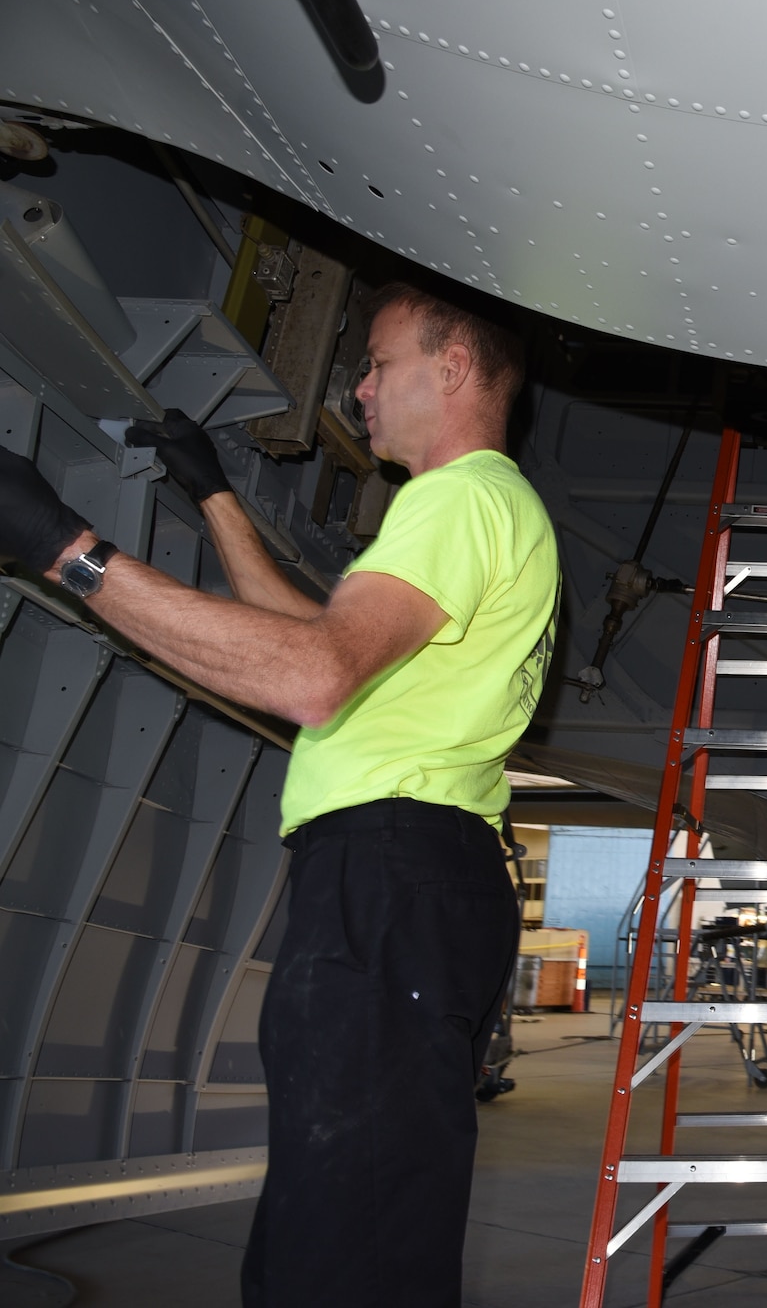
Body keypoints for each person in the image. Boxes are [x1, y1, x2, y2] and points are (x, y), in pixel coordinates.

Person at [0, 281, 557, 1307]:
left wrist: (63, 549)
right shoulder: (485, 512)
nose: (358, 390)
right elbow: (318, 640)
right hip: (417, 876)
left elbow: (311, 677)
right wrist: (213, 492)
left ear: (453, 369)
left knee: (349, 1237)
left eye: (378, 364)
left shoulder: (461, 496)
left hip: (390, 873)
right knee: (353, 1210)